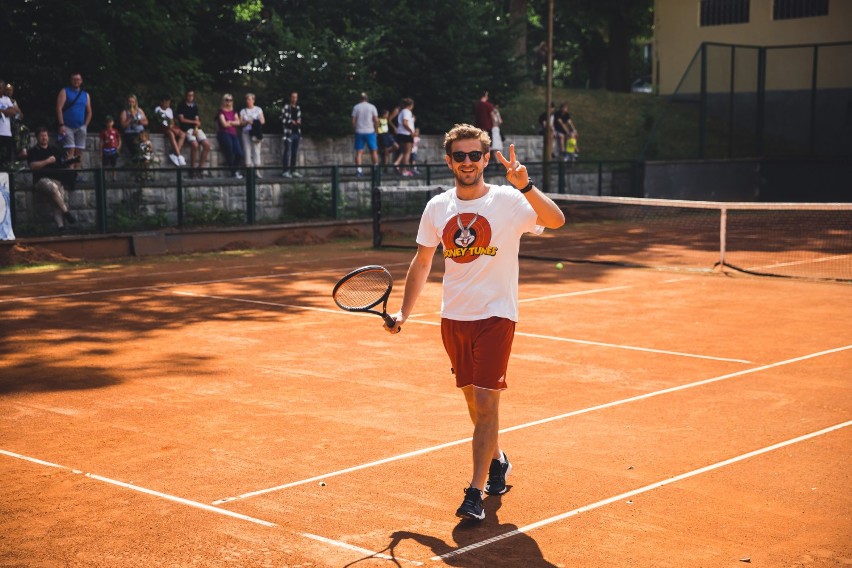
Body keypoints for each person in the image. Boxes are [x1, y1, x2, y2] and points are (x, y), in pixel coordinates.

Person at [384, 123, 565, 521]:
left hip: (497, 316)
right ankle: (498, 459)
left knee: (485, 400)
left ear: (486, 159)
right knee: (472, 399)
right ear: (449, 161)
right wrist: (404, 313)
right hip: (454, 317)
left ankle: (474, 492)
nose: (468, 162)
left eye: (474, 155)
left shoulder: (509, 201)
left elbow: (556, 221)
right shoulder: (437, 207)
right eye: (460, 156)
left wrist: (526, 184)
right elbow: (422, 262)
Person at [26, 126, 77, 231]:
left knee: (58, 200)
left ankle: (61, 227)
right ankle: (67, 213)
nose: (44, 138)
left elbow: (61, 163)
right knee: (53, 188)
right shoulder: (33, 151)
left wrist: (70, 161)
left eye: (45, 135)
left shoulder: (54, 149)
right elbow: (33, 166)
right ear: (37, 137)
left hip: (56, 178)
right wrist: (47, 161)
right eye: (41, 136)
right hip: (41, 180)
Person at [55, 72, 91, 175]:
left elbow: (89, 111)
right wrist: (61, 124)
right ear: (71, 80)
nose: (76, 81)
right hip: (67, 125)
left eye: (78, 79)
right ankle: (70, 172)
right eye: (74, 79)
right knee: (70, 149)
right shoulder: (65, 91)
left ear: (81, 81)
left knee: (79, 151)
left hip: (80, 126)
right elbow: (59, 108)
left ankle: (77, 173)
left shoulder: (85, 95)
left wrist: (85, 125)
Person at [176, 89, 212, 178]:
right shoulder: (181, 105)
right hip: (186, 128)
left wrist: (196, 126)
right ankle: (192, 169)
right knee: (195, 145)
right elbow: (182, 119)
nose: (190, 97)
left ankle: (200, 168)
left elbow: (197, 119)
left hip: (195, 128)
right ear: (186, 96)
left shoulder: (195, 106)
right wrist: (193, 122)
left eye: (192, 95)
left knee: (207, 145)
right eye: (189, 95)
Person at [153, 95, 187, 167]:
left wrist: (172, 126)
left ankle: (175, 154)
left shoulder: (169, 110)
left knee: (182, 134)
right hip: (162, 128)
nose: (167, 105)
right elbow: (160, 122)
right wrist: (170, 127)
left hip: (170, 127)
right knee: (171, 134)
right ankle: (178, 155)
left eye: (168, 103)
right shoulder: (157, 109)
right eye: (166, 103)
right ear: (161, 102)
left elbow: (172, 121)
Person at [216, 93, 244, 179]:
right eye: (227, 100)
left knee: (239, 153)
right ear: (223, 101)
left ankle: (235, 170)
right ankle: (233, 172)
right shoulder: (221, 111)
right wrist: (233, 122)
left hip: (233, 134)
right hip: (224, 133)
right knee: (230, 151)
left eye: (230, 100)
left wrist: (230, 122)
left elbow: (238, 122)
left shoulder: (234, 111)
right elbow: (223, 124)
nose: (229, 102)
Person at [351, 92, 379, 177]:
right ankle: (375, 169)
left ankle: (359, 170)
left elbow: (353, 120)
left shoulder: (356, 107)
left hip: (359, 131)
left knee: (359, 152)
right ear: (367, 99)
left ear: (360, 99)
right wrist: (376, 130)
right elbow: (376, 120)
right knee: (373, 151)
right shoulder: (372, 107)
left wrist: (354, 129)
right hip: (370, 131)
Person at [239, 93, 266, 176]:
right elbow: (240, 123)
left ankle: (257, 171)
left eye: (250, 99)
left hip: (255, 132)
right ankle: (249, 171)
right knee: (247, 150)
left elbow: (262, 121)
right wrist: (246, 122)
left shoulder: (258, 109)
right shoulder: (243, 111)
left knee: (256, 150)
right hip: (246, 132)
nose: (248, 101)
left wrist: (253, 121)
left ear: (253, 100)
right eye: (247, 99)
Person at [119, 94, 148, 160]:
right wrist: (130, 117)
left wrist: (141, 122)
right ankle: (137, 158)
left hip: (140, 132)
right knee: (135, 146)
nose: (131, 103)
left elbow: (146, 122)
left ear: (135, 102)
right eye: (130, 102)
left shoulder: (140, 111)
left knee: (145, 144)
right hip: (130, 133)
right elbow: (123, 125)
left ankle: (144, 158)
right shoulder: (124, 112)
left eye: (133, 102)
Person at [280, 91, 302, 178]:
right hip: (288, 133)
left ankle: (293, 170)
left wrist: (298, 122)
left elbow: (299, 119)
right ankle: (285, 171)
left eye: (296, 97)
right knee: (287, 152)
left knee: (294, 152)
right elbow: (282, 119)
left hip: (297, 132)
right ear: (290, 98)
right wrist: (291, 122)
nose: (294, 99)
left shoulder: (298, 108)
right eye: (293, 97)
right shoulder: (286, 107)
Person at [0, 79, 20, 169]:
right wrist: (6, 111)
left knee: (7, 158)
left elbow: (13, 112)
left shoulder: (7, 99)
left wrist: (2, 111)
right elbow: (9, 111)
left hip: (6, 133)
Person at [393, 98, 415, 177]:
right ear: (411, 105)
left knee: (403, 151)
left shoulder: (402, 111)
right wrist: (411, 131)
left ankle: (397, 164)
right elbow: (405, 123)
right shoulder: (407, 112)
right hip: (406, 134)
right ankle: (404, 170)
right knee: (407, 153)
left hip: (401, 133)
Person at [98, 115, 121, 181]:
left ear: (113, 122)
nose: (109, 123)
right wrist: (100, 152)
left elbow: (119, 139)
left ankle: (114, 177)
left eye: (110, 122)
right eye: (107, 122)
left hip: (113, 149)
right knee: (105, 165)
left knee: (114, 164)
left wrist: (118, 147)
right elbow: (101, 142)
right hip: (106, 150)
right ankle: (105, 177)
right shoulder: (103, 132)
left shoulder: (115, 131)